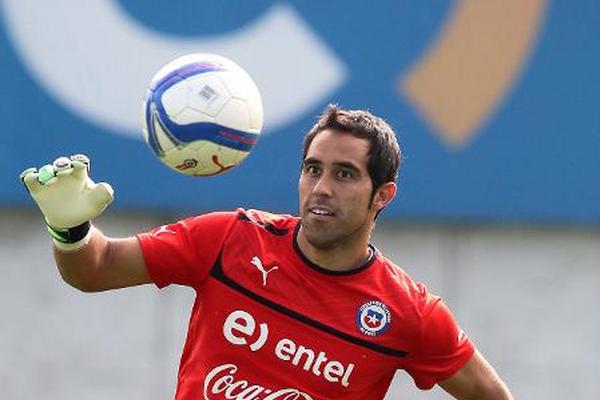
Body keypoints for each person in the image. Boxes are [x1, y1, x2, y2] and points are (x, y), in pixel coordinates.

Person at [20, 105, 513, 399]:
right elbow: (96, 268)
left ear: (382, 195)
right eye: (312, 168)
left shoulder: (407, 312)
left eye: (344, 174)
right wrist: (70, 228)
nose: (321, 187)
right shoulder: (230, 238)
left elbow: (490, 395)